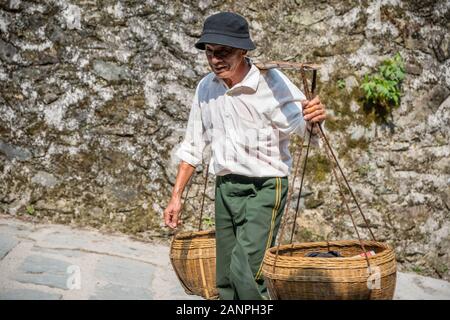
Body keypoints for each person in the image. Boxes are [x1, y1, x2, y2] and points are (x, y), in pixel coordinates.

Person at [164, 12, 326, 300]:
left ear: (243, 51)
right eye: (210, 53)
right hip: (226, 188)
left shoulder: (271, 83)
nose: (215, 60)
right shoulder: (206, 88)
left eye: (223, 52)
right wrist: (176, 196)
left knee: (246, 271)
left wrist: (314, 118)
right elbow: (193, 145)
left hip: (264, 188)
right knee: (225, 277)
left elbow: (304, 127)